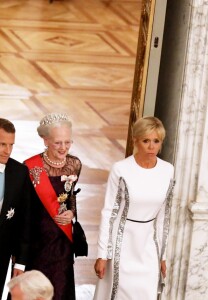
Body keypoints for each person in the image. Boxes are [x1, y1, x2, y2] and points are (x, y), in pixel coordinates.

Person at [93, 116, 175, 300]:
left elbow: (164, 216)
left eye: (156, 141)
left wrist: (163, 255)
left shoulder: (168, 170)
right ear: (136, 140)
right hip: (121, 245)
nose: (151, 146)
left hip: (148, 247)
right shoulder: (121, 169)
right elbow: (108, 213)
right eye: (146, 141)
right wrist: (102, 254)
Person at [24, 113, 82, 300]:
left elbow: (71, 196)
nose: (63, 147)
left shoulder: (74, 164)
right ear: (45, 140)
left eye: (68, 142)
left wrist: (71, 212)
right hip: (37, 242)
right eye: (58, 143)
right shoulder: (29, 167)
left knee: (60, 289)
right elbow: (25, 210)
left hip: (61, 241)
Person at [0, 118, 32, 299]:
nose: (8, 150)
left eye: (11, 145)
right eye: (2, 144)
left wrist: (20, 262)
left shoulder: (19, 172)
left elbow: (24, 220)